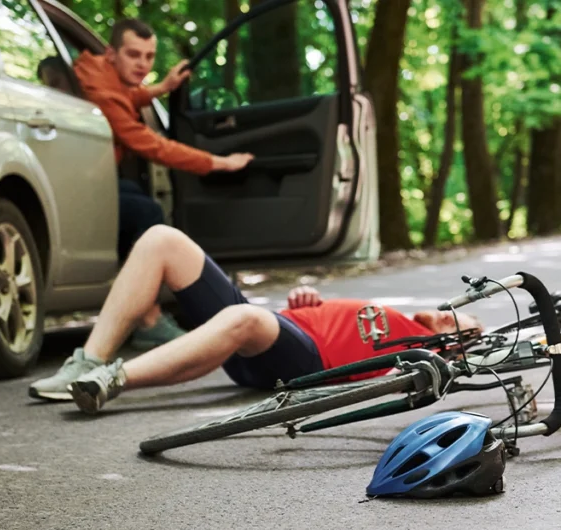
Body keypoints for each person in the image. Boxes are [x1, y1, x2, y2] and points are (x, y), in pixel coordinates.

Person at [27, 225, 483, 410]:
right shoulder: (403, 319)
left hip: (305, 362)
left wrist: (465, 344)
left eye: (463, 324)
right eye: (455, 316)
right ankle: (88, 358)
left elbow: (460, 368)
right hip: (278, 329)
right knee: (162, 239)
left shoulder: (423, 354)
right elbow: (333, 318)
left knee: (245, 318)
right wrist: (308, 299)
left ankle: (111, 380)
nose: (453, 317)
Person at [73, 18, 256, 351]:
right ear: (112, 53)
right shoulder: (100, 89)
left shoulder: (98, 71)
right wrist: (217, 163)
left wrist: (160, 88)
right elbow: (150, 144)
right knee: (146, 212)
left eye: (149, 56)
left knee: (132, 196)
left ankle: (146, 309)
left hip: (93, 178)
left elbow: (125, 95)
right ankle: (149, 320)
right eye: (134, 55)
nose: (143, 64)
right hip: (79, 185)